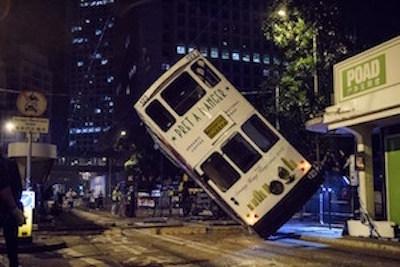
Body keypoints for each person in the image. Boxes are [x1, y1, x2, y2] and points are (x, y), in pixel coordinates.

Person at [0, 155, 25, 267]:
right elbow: (4, 188)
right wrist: (15, 209)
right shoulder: (8, 164)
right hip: (7, 211)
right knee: (12, 245)